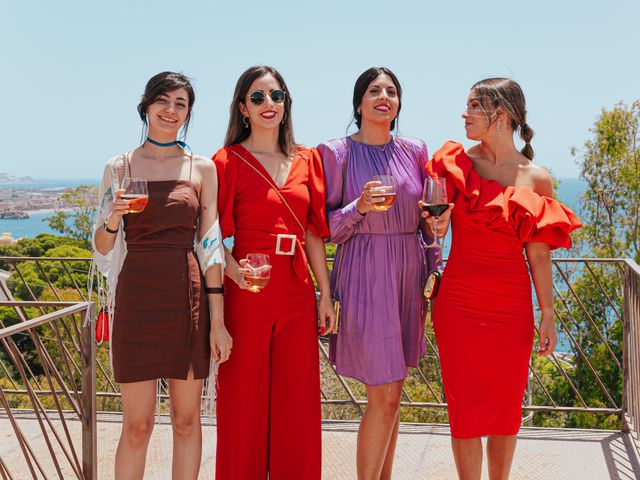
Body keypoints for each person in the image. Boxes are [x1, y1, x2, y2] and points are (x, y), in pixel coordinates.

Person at [424, 77, 581, 480]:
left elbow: (539, 254)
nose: (464, 114)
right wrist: (435, 224)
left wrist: (547, 314)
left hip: (510, 312)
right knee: (464, 413)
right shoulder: (456, 163)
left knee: (505, 412)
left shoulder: (537, 178)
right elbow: (434, 224)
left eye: (474, 106)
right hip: (457, 306)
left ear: (502, 115)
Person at [92, 71, 228, 480]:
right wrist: (114, 216)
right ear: (146, 106)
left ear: (188, 113)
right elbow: (101, 246)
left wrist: (217, 322)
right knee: (137, 426)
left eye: (181, 104)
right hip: (135, 299)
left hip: (187, 298)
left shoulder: (201, 167)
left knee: (186, 422)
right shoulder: (118, 167)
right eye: (163, 101)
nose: (171, 110)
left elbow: (210, 245)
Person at [213, 65, 335, 480]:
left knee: (297, 402)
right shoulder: (227, 160)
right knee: (242, 401)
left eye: (277, 96)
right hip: (247, 291)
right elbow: (209, 238)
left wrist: (326, 294)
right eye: (259, 97)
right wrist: (235, 276)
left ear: (287, 104)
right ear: (243, 108)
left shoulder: (308, 159)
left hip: (297, 289)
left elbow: (315, 233)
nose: (269, 104)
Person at [318, 67, 437, 480]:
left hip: (407, 271)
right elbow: (325, 228)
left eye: (391, 91)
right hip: (365, 274)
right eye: (374, 90)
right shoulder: (335, 153)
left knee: (394, 392)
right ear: (358, 103)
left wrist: (434, 252)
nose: (383, 96)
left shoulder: (416, 150)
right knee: (383, 394)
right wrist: (360, 207)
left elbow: (427, 219)